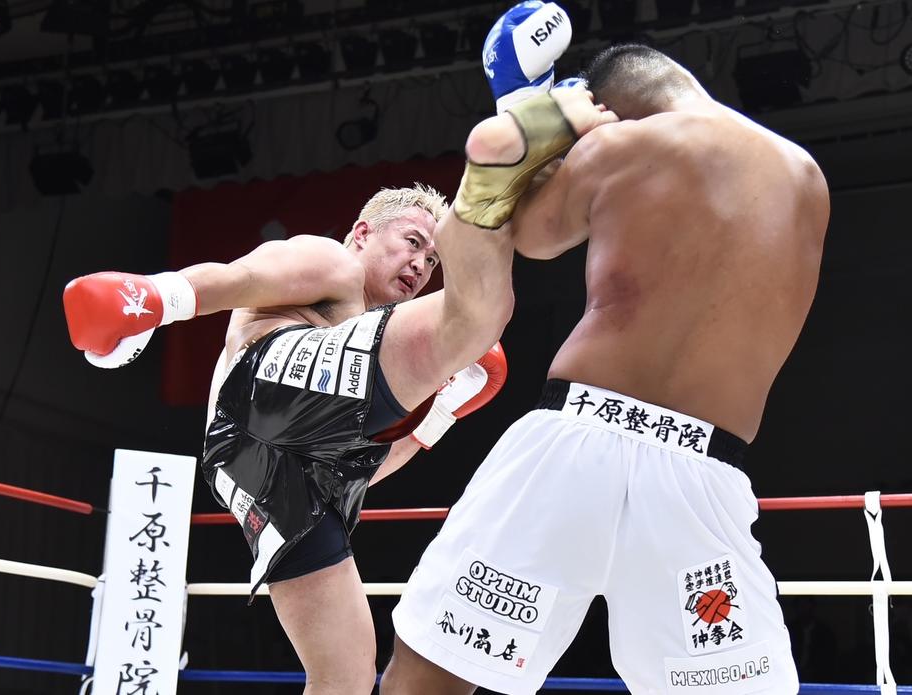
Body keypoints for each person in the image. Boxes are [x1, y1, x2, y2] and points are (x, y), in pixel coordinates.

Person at [62, 80, 616, 693]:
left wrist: (440, 415)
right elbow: (246, 274)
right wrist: (156, 299)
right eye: (413, 243)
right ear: (364, 232)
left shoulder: (377, 361)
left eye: (432, 260)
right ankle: (516, 127)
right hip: (258, 398)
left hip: (269, 472)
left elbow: (363, 468)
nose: (420, 265)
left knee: (347, 674)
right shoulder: (334, 264)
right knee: (469, 314)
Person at [380, 21, 830, 695]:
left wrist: (533, 119)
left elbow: (533, 235)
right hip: (703, 470)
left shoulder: (621, 142)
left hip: (577, 441)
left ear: (607, 108)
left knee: (430, 672)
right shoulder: (806, 177)